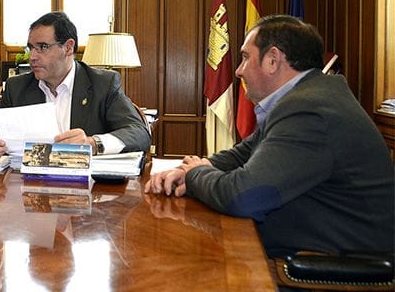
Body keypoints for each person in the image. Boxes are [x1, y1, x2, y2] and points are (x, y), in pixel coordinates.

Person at [144, 14, 395, 258]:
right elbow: (245, 152)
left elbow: (243, 197)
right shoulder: (307, 97)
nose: (239, 71)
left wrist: (196, 174)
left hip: (340, 263)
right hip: (313, 244)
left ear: (273, 60)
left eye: (245, 58)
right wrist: (199, 167)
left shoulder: (310, 110)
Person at [0, 11, 150, 163]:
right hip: (28, 193)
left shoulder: (103, 83)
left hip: (90, 193)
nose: (33, 57)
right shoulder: (18, 87)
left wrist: (92, 144)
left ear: (68, 48)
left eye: (42, 47)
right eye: (31, 48)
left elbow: (138, 132)